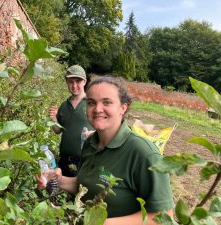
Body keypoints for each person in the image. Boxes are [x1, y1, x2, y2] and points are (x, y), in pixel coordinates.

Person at [42, 76, 174, 224]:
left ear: (123, 107)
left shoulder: (144, 153)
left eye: (107, 102)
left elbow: (164, 217)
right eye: (91, 103)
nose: (97, 109)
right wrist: (56, 180)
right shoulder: (90, 144)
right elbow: (86, 184)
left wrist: (102, 223)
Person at [48, 65, 93, 177]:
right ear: (66, 82)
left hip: (86, 161)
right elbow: (58, 130)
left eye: (78, 81)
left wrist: (92, 134)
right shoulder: (64, 105)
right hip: (64, 161)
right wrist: (53, 119)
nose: (74, 86)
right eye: (70, 82)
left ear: (84, 82)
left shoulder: (92, 103)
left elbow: (105, 129)